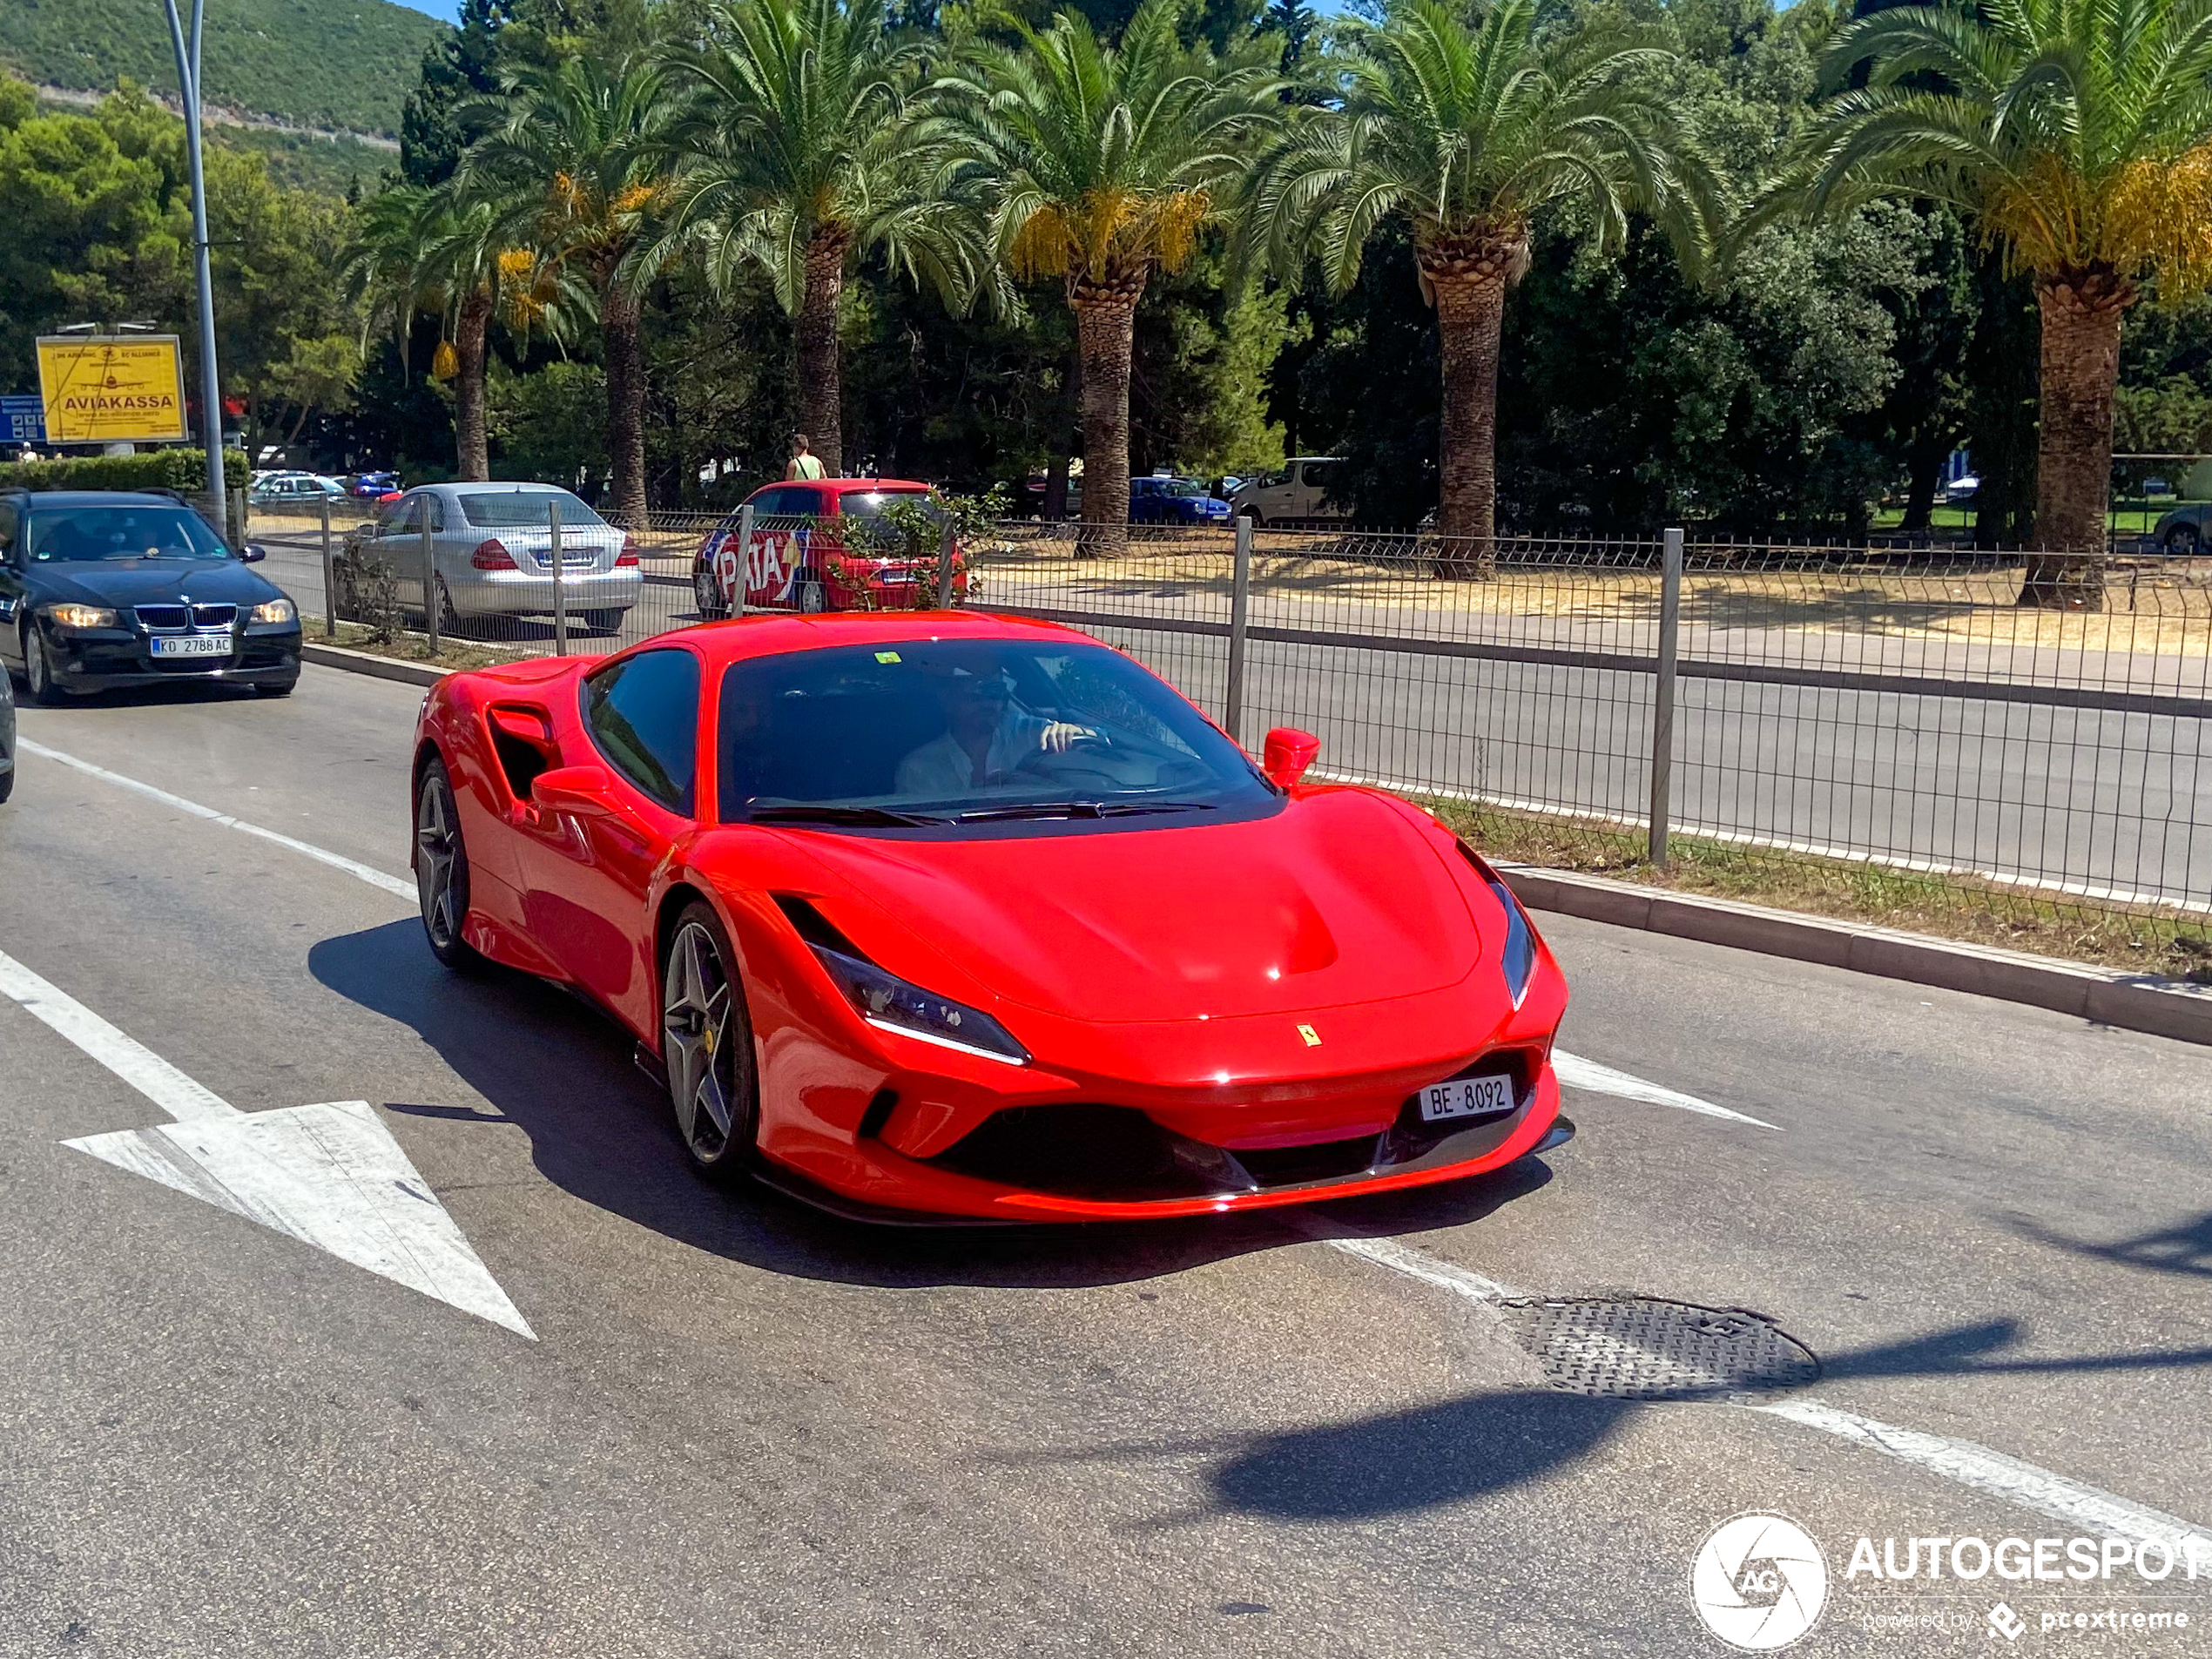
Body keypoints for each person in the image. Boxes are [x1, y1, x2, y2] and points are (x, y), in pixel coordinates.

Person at [896, 670, 1098, 797]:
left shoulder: (1023, 730)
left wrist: (1075, 731)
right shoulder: (919, 768)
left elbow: (1105, 740)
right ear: (949, 704)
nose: (988, 705)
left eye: (995, 695)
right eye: (975, 698)